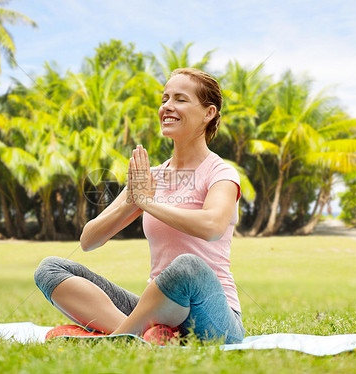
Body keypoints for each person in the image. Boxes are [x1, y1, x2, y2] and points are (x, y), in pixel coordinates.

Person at [34, 68, 245, 344]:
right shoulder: (150, 177)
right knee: (49, 269)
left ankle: (120, 336)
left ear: (209, 113)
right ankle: (143, 334)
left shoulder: (221, 173)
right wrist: (132, 202)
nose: (167, 106)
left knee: (188, 266)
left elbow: (212, 226)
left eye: (180, 99)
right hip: (156, 308)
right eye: (165, 98)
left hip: (212, 315)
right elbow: (88, 240)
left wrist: (148, 202)